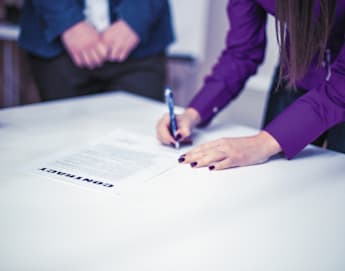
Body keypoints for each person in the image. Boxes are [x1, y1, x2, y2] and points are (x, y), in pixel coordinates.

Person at [157, 0, 345, 170]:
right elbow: (242, 53)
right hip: (297, 73)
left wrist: (262, 143)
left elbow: (340, 86)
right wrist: (193, 114)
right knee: (274, 177)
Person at [19, 0, 174, 102]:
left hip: (140, 46)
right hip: (57, 44)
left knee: (142, 138)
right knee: (62, 139)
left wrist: (137, 16)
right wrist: (66, 20)